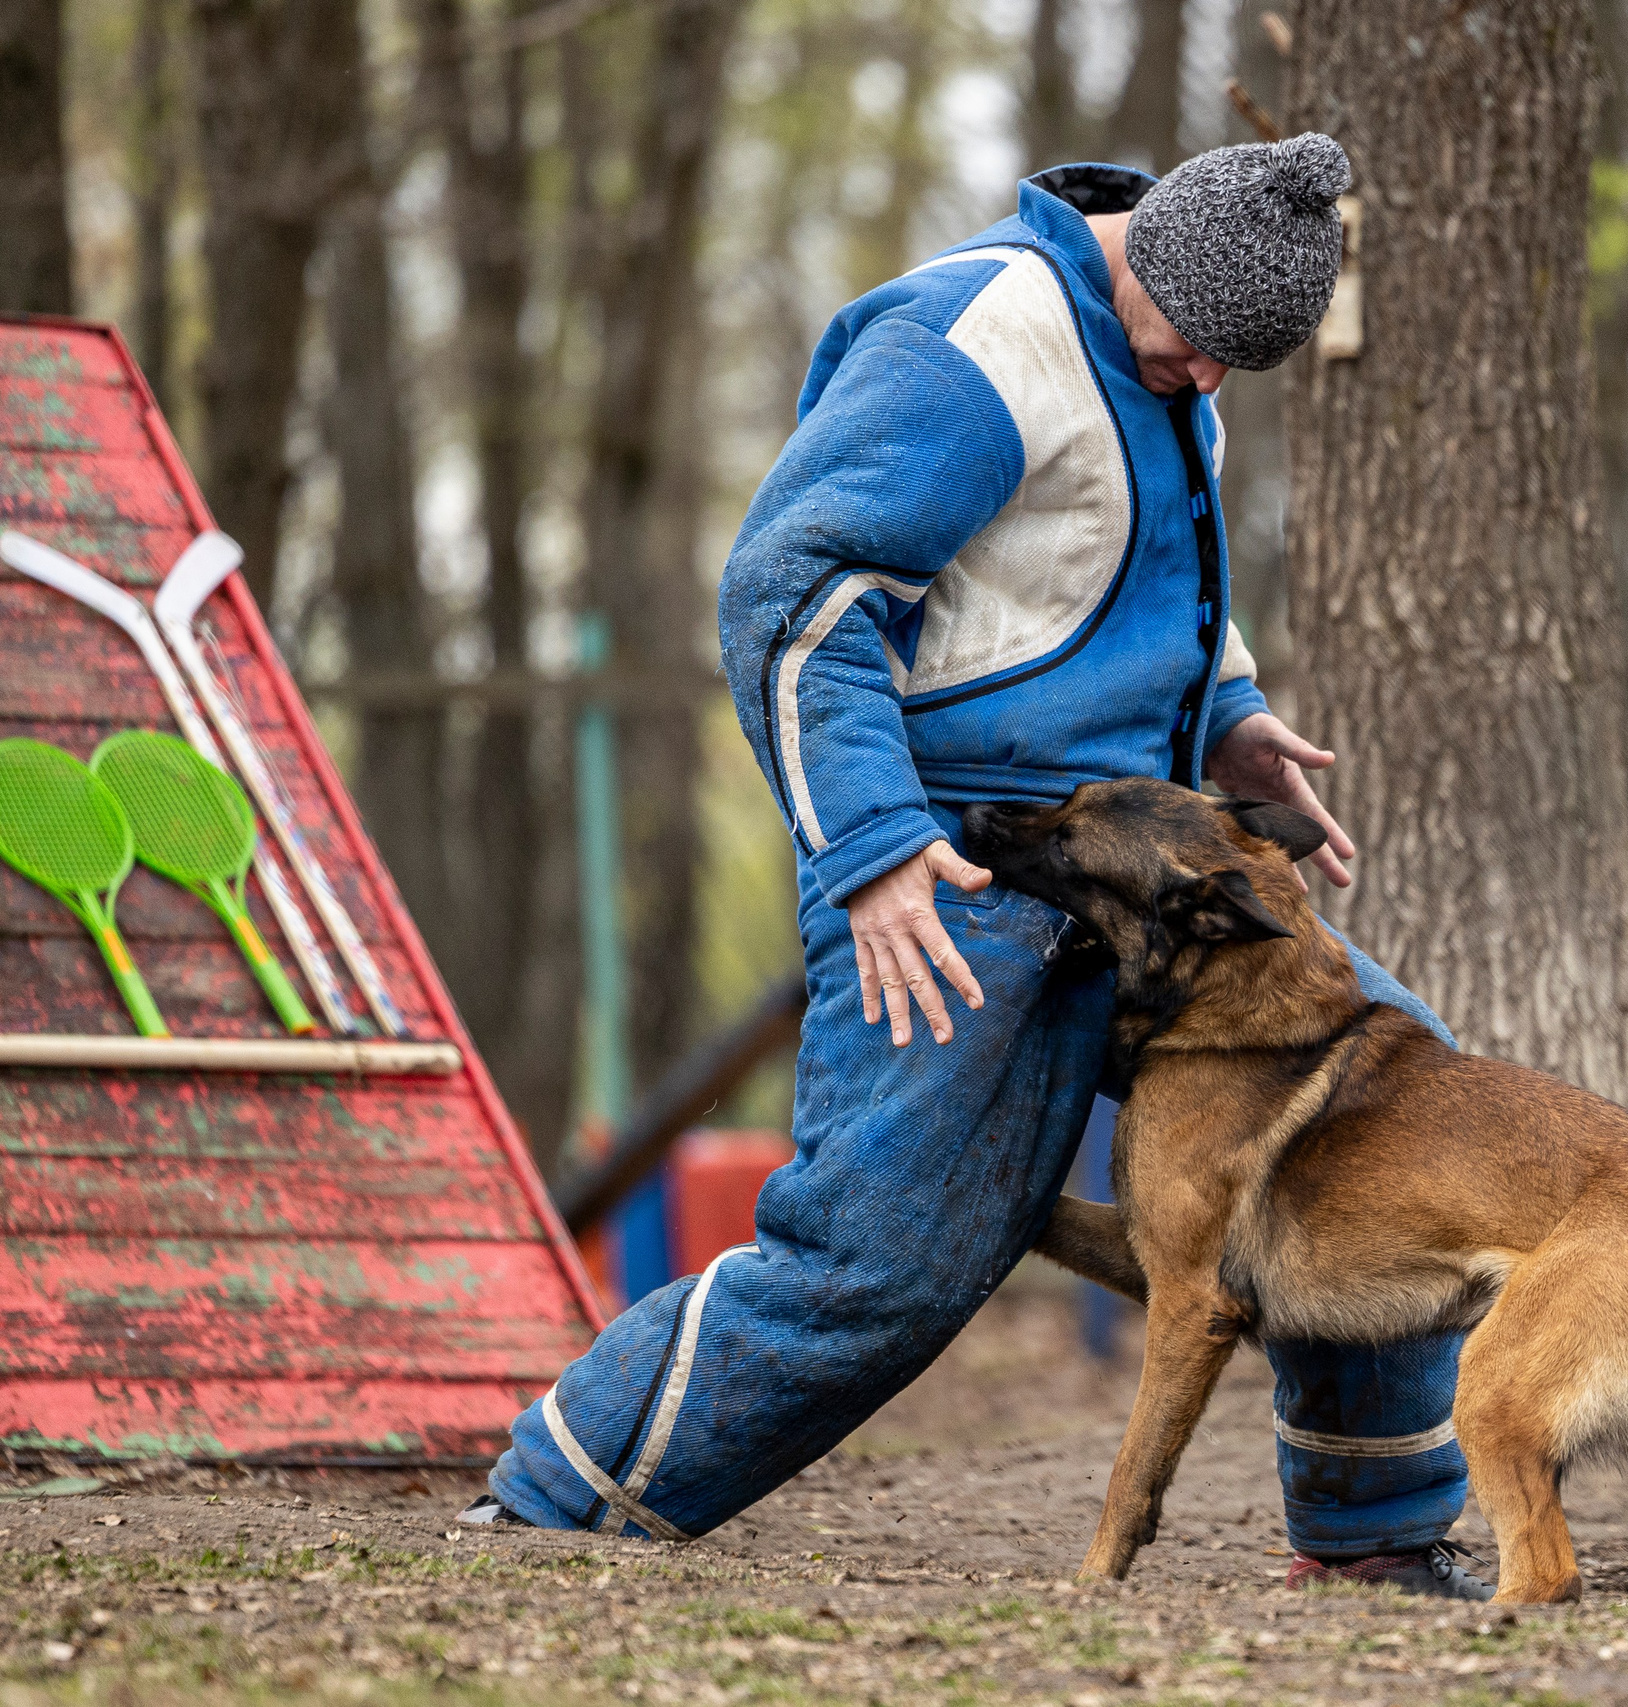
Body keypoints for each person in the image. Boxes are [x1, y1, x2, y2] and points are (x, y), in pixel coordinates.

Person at [462, 134, 1485, 1600]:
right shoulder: (971, 343)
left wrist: (1234, 722)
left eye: (1232, 369)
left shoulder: (1175, 350)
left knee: (1389, 1128)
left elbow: (1146, 580)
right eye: (1194, 349)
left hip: (1137, 862)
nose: (1205, 382)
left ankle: (1375, 1531)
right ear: (1152, 259)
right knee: (882, 1263)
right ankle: (559, 1503)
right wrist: (877, 854)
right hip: (952, 856)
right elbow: (795, 596)